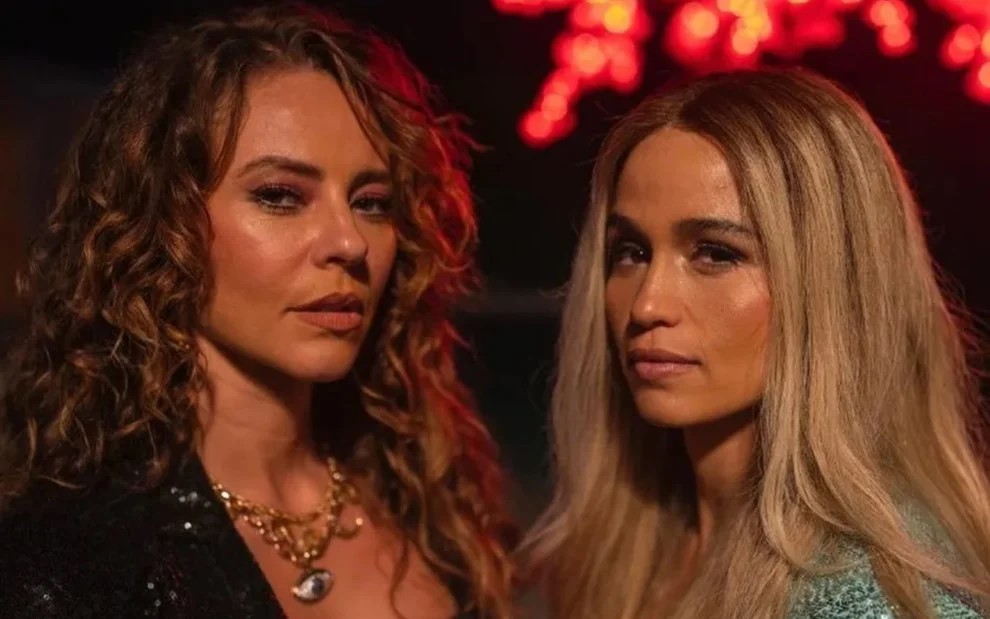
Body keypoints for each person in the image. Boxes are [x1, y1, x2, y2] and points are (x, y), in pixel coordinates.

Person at [0, 4, 514, 618]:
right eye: (280, 196)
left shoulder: (430, 506)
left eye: (372, 202)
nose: (349, 242)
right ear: (164, 225)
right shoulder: (70, 559)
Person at [523, 68, 990, 618]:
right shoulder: (627, 546)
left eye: (716, 253)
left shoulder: (875, 595)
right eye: (632, 252)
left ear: (832, 281)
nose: (647, 305)